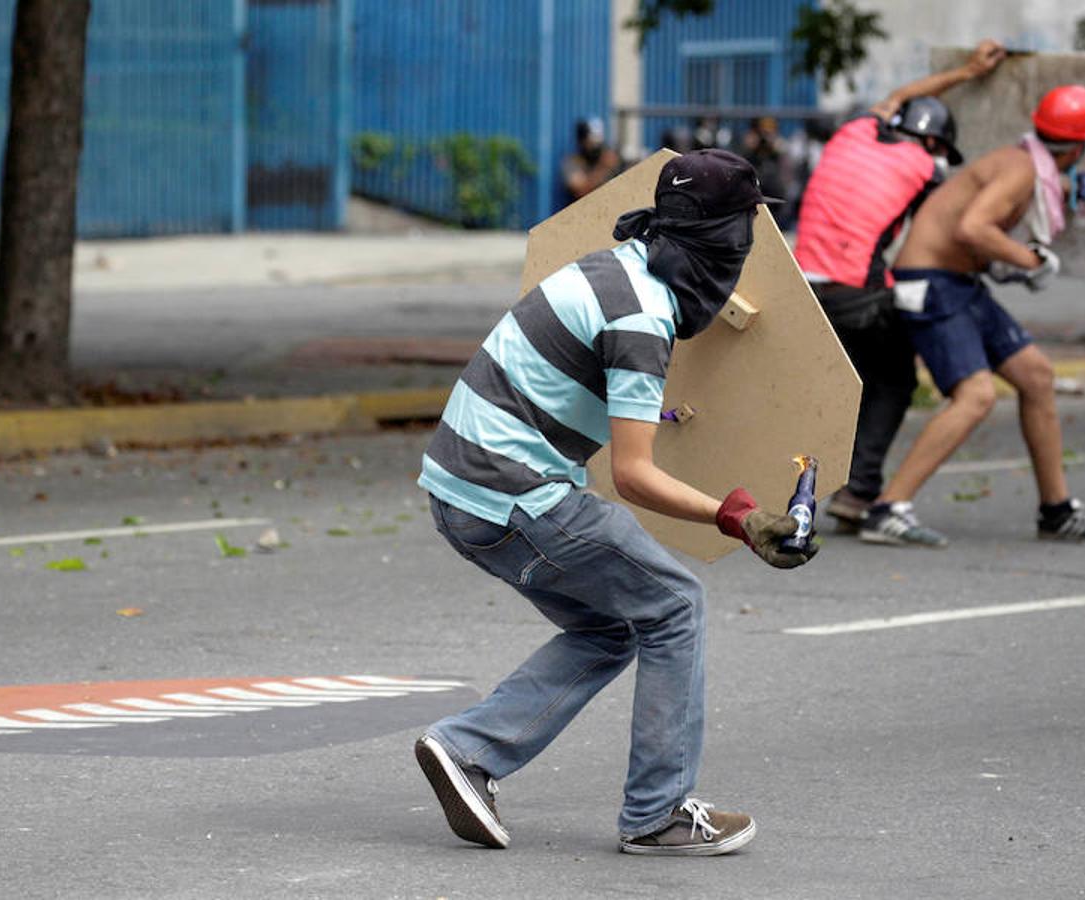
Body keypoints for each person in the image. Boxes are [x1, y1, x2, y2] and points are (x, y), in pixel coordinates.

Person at [414, 149, 817, 857]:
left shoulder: (615, 267)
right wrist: (740, 517)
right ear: (725, 239)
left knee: (614, 626)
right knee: (675, 604)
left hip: (460, 489)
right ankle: (657, 815)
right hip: (515, 497)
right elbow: (633, 476)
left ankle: (469, 750)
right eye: (747, 231)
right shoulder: (642, 317)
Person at [870, 84, 1085, 547]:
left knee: (1036, 375)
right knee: (976, 395)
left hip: (957, 283)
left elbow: (976, 234)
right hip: (931, 284)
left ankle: (1056, 510)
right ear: (1080, 146)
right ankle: (889, 507)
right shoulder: (1022, 170)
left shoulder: (1022, 164)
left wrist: (1019, 257)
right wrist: (1032, 262)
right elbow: (973, 228)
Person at [793, 39, 1006, 542]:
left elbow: (901, 94)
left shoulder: (855, 130)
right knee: (893, 379)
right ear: (934, 145)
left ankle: (810, 480)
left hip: (801, 286)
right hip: (856, 292)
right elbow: (945, 233)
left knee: (845, 380)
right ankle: (861, 490)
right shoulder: (927, 168)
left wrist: (967, 70)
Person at [561, 118, 621, 206]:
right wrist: (603, 168)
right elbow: (581, 190)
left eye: (598, 143)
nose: (596, 147)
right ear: (582, 141)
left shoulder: (608, 157)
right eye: (591, 142)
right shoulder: (571, 162)